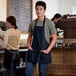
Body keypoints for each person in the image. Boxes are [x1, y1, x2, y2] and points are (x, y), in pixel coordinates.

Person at [26, 1, 57, 76]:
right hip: (33, 50)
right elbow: (30, 35)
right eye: (37, 9)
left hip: (44, 51)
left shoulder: (49, 23)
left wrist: (48, 49)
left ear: (44, 10)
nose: (38, 11)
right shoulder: (32, 23)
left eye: (41, 9)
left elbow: (54, 37)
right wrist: (29, 45)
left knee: (42, 73)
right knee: (28, 71)